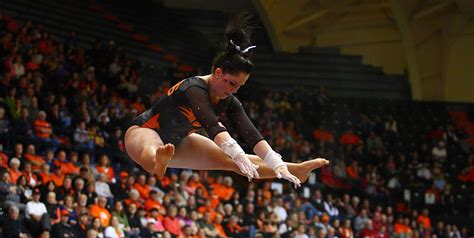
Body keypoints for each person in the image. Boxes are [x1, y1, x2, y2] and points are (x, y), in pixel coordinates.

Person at [124, 14, 328, 187]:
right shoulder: (193, 88)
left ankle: (297, 170)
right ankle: (157, 163)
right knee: (149, 149)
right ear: (218, 73)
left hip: (179, 141)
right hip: (146, 131)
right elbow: (212, 126)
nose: (233, 90)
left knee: (234, 162)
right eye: (231, 83)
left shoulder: (228, 100)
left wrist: (277, 164)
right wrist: (237, 154)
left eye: (239, 86)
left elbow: (253, 136)